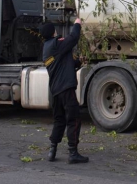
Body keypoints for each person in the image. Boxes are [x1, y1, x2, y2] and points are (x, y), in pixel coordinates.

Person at [42, 18, 89, 163]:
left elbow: (66, 61)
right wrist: (77, 24)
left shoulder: (47, 48)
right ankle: (73, 153)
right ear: (52, 32)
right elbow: (73, 38)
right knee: (73, 119)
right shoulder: (56, 44)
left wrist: (80, 61)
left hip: (55, 91)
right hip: (66, 89)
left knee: (59, 120)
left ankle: (52, 150)